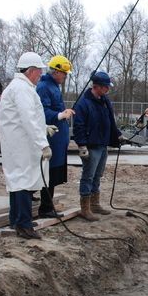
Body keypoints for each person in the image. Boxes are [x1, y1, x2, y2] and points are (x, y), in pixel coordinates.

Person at [0, 52, 51, 239]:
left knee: (18, 179)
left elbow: (27, 117)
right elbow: (28, 118)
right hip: (21, 142)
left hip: (19, 141)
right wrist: (43, 143)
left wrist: (43, 127)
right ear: (30, 71)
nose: (40, 75)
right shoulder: (21, 89)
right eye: (39, 71)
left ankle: (18, 220)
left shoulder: (20, 87)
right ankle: (23, 224)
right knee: (22, 180)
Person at [73, 71, 122, 222]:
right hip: (91, 145)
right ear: (97, 87)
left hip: (102, 144)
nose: (108, 89)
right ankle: (85, 208)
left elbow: (110, 121)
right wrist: (82, 145)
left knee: (97, 175)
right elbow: (79, 126)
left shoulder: (104, 101)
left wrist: (117, 135)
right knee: (88, 176)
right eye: (106, 87)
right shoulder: (84, 103)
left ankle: (95, 204)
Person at [36, 55, 75, 219]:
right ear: (56, 71)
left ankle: (47, 205)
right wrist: (60, 115)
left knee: (54, 172)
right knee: (49, 172)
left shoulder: (53, 86)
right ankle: (45, 208)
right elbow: (42, 111)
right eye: (64, 73)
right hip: (51, 137)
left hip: (58, 139)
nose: (65, 77)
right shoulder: (44, 87)